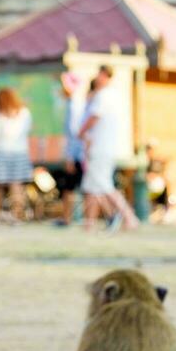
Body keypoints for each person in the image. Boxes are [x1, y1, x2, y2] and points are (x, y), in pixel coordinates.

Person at [79, 65, 138, 232]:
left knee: (103, 184)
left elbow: (94, 117)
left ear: (104, 75)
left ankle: (128, 216)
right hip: (105, 146)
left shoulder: (103, 96)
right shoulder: (114, 95)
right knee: (91, 185)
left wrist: (81, 132)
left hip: (101, 146)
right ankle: (89, 223)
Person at [0, 88, 33, 221]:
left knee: (3, 186)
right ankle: (10, 214)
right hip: (17, 152)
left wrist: (3, 120)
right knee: (12, 185)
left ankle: (11, 213)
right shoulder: (23, 113)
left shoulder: (18, 113)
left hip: (4, 151)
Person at [55, 72, 85, 227]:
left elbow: (75, 134)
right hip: (78, 153)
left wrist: (70, 157)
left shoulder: (75, 105)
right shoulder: (74, 103)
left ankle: (68, 218)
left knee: (71, 187)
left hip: (77, 154)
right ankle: (67, 218)